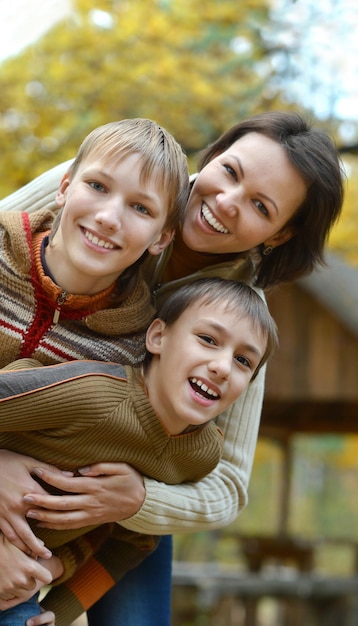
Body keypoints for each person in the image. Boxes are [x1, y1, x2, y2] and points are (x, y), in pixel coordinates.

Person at [0, 110, 345, 626]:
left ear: (278, 234)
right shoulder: (114, 182)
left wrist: (135, 499)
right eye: (230, 171)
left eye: (259, 206)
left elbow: (225, 482)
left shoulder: (240, 324)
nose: (226, 202)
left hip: (120, 479)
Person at [0, 115, 189, 626]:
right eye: (98, 186)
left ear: (161, 237)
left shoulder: (135, 350)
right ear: (64, 187)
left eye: (140, 208)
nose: (109, 217)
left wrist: (53, 579)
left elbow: (114, 521)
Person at [0, 277, 278, 625]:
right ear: (158, 337)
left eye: (243, 361)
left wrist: (59, 610)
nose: (222, 367)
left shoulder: (198, 456)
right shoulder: (92, 395)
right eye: (208, 340)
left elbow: (129, 542)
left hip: (13, 592)